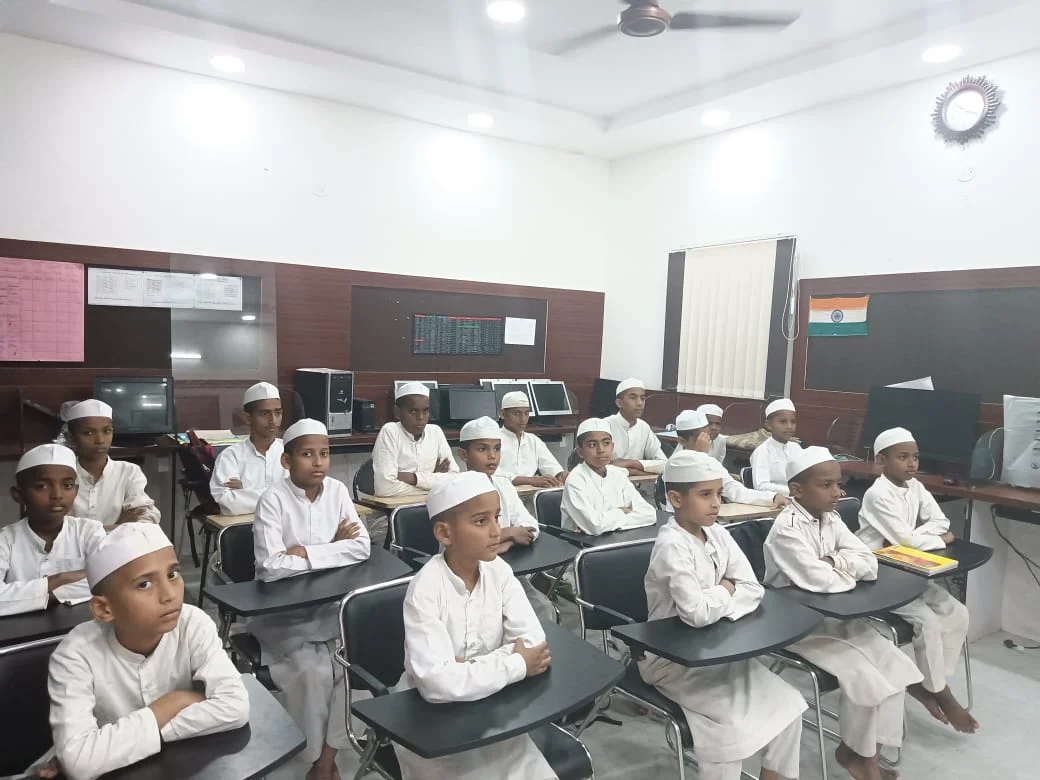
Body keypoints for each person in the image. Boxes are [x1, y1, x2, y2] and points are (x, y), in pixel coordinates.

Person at [640, 451, 806, 780]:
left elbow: (753, 588)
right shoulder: (672, 544)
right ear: (675, 498)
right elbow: (695, 615)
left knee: (791, 704)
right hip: (673, 661)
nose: (716, 503)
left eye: (718, 493)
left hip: (719, 647)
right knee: (731, 732)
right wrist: (727, 590)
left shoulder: (716, 532)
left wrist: (723, 595)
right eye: (705, 495)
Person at [764, 447, 922, 780]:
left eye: (838, 483)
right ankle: (858, 756)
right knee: (866, 678)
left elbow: (870, 562)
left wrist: (835, 562)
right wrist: (842, 570)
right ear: (796, 490)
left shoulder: (831, 518)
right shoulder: (787, 529)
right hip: (797, 626)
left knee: (897, 667)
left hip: (836, 618)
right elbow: (820, 583)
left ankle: (865, 753)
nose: (838, 492)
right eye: (826, 485)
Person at [46, 522, 249, 780]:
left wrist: (112, 744)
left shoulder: (193, 623)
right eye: (144, 584)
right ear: (103, 609)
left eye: (173, 574)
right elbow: (79, 761)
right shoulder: (75, 654)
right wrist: (175, 703)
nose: (169, 595)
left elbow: (235, 708)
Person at [394, 472, 555, 780]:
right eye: (481, 522)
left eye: (497, 517)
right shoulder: (426, 588)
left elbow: (534, 642)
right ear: (445, 533)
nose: (497, 531)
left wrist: (468, 668)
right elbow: (437, 686)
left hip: (493, 709)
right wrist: (515, 663)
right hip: (432, 725)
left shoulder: (499, 571)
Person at [250, 418, 371, 780]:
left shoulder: (336, 490)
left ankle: (325, 761)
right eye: (307, 454)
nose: (318, 462)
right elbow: (271, 567)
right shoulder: (272, 499)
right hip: (285, 614)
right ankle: (311, 758)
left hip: (334, 608)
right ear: (286, 461)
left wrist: (305, 553)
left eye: (324, 453)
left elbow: (362, 547)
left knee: (352, 670)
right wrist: (334, 548)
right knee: (314, 672)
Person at [858, 427, 977, 734]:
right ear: (882, 460)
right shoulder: (876, 494)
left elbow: (938, 523)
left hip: (909, 566)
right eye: (903, 457)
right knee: (928, 622)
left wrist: (923, 537)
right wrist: (932, 538)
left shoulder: (917, 487)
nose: (911, 463)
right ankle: (941, 693)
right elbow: (905, 540)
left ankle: (932, 683)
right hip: (879, 572)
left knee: (958, 613)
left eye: (915, 457)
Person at [456, 416, 557, 622]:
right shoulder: (455, 491)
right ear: (464, 454)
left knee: (543, 609)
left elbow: (530, 525)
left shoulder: (503, 485)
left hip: (508, 570)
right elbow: (462, 543)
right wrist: (508, 533)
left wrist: (507, 541)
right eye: (482, 449)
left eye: (497, 448)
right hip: (467, 577)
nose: (492, 456)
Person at [1, 444, 106, 616]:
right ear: (18, 495)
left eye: (68, 485)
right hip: (19, 639)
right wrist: (58, 579)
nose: (57, 495)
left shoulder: (89, 532)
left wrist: (52, 596)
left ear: (76, 490)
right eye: (42, 486)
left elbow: (109, 579)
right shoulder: (5, 540)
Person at [65, 400, 160, 526]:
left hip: (120, 544)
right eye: (88, 433)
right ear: (71, 437)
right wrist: (116, 527)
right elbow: (58, 527)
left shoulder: (128, 471)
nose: (100, 440)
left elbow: (145, 514)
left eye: (107, 431)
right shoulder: (63, 473)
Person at [671, 411, 787, 509]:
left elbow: (734, 490)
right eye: (700, 438)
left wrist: (772, 498)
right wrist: (702, 456)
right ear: (681, 441)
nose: (706, 442)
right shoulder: (675, 464)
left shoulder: (710, 462)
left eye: (707, 436)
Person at [562, 418, 657, 535]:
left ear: (612, 447)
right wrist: (622, 511)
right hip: (581, 546)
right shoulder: (575, 480)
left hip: (618, 540)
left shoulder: (618, 475)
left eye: (606, 443)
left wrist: (608, 523)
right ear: (581, 452)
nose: (601, 450)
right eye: (592, 445)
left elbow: (649, 514)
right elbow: (595, 526)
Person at [210, 381, 287, 516]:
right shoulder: (231, 456)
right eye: (264, 414)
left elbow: (303, 494)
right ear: (248, 418)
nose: (273, 420)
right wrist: (283, 496)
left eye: (278, 413)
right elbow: (230, 505)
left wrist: (246, 491)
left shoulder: (291, 452)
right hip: (243, 532)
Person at [372, 382, 458, 497]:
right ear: (397, 412)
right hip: (393, 510)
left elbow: (454, 480)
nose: (420, 417)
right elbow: (385, 488)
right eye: (413, 411)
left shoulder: (435, 432)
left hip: (432, 506)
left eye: (425, 411)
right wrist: (434, 483)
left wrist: (414, 478)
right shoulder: (390, 431)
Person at [497, 391, 567, 488]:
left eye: (526, 413)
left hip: (532, 492)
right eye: (517, 413)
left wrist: (561, 475)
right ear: (503, 414)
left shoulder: (533, 440)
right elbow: (494, 475)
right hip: (502, 492)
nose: (523, 419)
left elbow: (550, 465)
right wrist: (530, 481)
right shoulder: (494, 440)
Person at [607, 378, 668, 475]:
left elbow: (664, 464)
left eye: (642, 398)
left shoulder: (644, 427)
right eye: (633, 398)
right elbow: (602, 468)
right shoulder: (604, 425)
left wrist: (631, 463)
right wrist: (638, 472)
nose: (639, 403)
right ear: (619, 403)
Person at [749, 399, 801, 497]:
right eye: (783, 422)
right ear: (769, 425)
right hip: (776, 503)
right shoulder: (763, 451)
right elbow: (761, 486)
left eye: (793, 422)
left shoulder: (796, 448)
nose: (789, 426)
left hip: (800, 499)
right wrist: (792, 491)